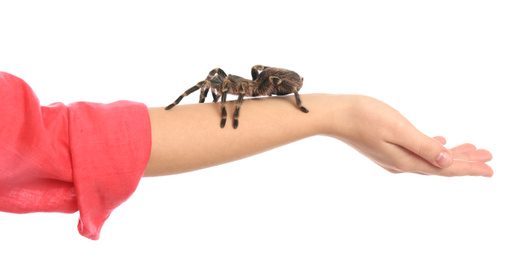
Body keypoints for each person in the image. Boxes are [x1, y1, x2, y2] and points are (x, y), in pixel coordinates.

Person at [0, 71, 493, 240]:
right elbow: (64, 142)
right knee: (219, 80)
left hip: (284, 92)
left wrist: (336, 113)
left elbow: (63, 141)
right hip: (269, 93)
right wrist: (332, 113)